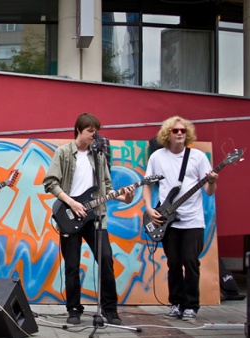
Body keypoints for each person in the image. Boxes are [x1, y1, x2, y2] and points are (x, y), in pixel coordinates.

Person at [43, 113, 134, 325]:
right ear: (79, 130)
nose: (94, 134)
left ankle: (110, 310)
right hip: (69, 215)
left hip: (95, 217)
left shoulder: (99, 156)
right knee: (72, 265)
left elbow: (107, 188)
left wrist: (126, 198)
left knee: (106, 260)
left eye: (96, 131)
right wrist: (72, 203)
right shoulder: (64, 153)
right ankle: (74, 309)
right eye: (90, 131)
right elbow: (50, 182)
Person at [143, 116, 218, 320]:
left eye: (182, 131)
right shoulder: (157, 157)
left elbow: (209, 191)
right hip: (168, 219)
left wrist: (212, 182)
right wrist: (149, 209)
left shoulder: (197, 157)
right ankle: (176, 303)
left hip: (193, 220)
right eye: (175, 130)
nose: (179, 134)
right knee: (174, 263)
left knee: (191, 262)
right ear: (167, 134)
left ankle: (192, 305)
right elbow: (147, 185)